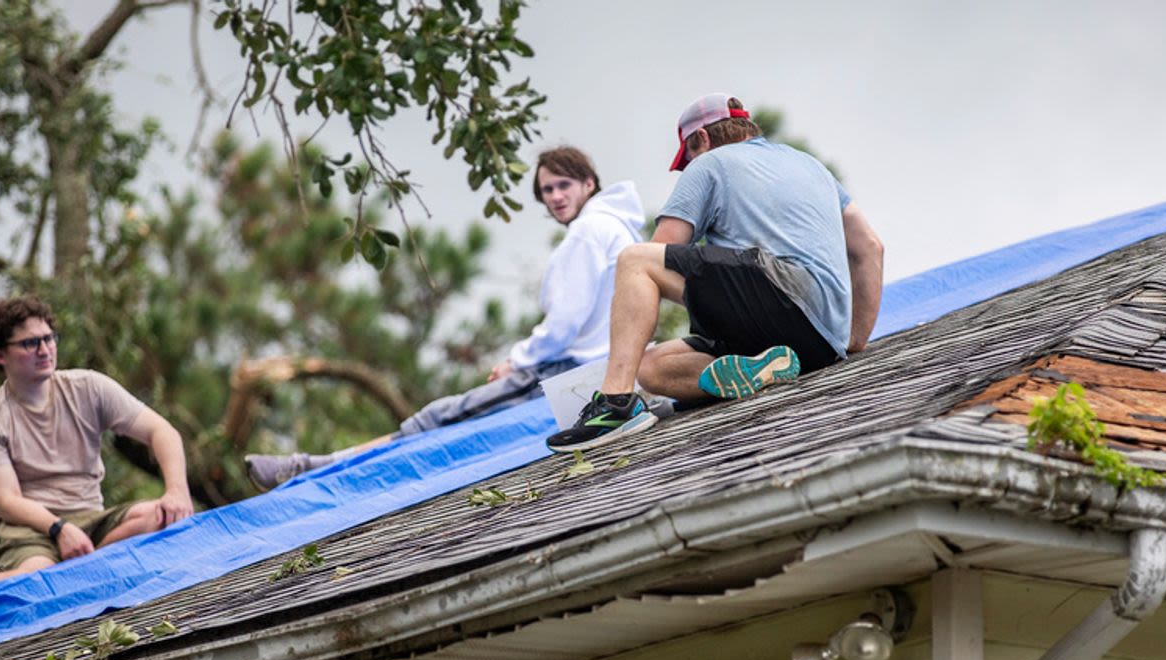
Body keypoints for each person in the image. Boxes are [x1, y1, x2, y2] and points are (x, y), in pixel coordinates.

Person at [245, 146, 645, 489]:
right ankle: (318, 464)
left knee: (440, 419)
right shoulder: (618, 229)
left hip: (565, 368)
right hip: (607, 365)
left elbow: (564, 323)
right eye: (547, 190)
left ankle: (314, 468)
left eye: (564, 185)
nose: (555, 196)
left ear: (589, 183)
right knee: (445, 420)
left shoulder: (587, 232)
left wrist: (516, 361)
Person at [545, 93, 884, 452]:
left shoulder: (709, 164)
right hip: (817, 344)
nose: (689, 163)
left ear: (701, 139)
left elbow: (660, 252)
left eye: (688, 155)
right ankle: (754, 372)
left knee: (635, 261)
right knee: (650, 368)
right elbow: (870, 247)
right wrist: (852, 341)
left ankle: (615, 404)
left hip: (778, 296)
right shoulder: (811, 164)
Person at [0, 296, 193, 584]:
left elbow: (163, 432)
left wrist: (177, 492)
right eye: (30, 343)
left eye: (49, 338)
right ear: (0, 355)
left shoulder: (88, 387)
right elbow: (7, 501)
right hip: (27, 529)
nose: (45, 349)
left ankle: (82, 567)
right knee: (36, 579)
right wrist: (59, 529)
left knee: (161, 518)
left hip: (90, 519)